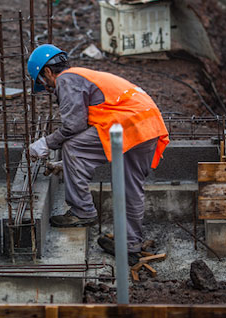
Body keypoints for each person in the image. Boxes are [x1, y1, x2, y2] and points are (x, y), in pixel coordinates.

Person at [27, 44, 169, 264]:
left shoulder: (66, 79)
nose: (48, 89)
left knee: (72, 147)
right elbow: (91, 129)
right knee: (129, 186)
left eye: (44, 85)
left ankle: (82, 211)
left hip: (129, 124)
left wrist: (47, 143)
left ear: (46, 72)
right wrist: (67, 165)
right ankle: (130, 247)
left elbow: (74, 126)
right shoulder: (84, 75)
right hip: (146, 124)